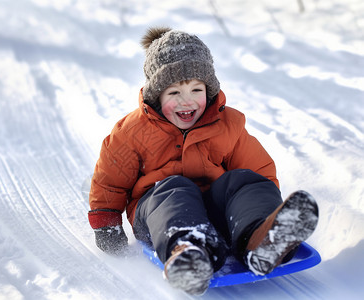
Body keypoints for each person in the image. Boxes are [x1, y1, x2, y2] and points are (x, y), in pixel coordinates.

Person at [88, 27, 318, 295]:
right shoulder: (131, 132)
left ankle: (261, 238)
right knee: (173, 187)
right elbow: (110, 181)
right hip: (159, 213)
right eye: (174, 93)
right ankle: (188, 252)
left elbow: (259, 173)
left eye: (196, 89)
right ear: (155, 96)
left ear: (208, 91)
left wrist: (259, 205)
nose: (187, 101)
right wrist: (106, 222)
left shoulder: (228, 124)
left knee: (241, 179)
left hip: (216, 211)